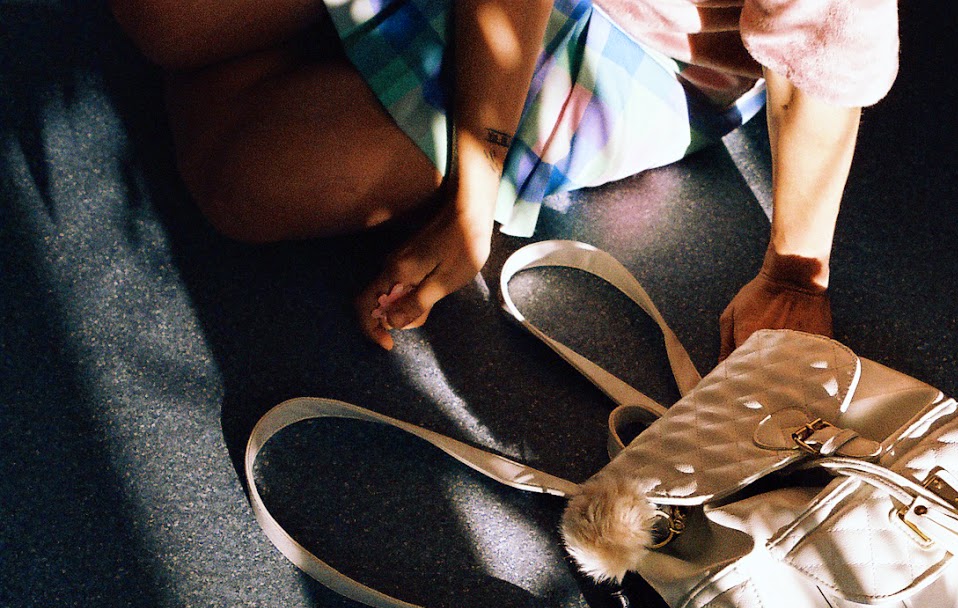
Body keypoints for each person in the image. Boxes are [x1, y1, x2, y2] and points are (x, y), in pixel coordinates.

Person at [112, 0, 898, 356]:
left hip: (650, 47)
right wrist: (472, 184)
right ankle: (343, 64)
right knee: (161, 18)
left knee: (244, 182)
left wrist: (796, 274)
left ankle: (338, 59)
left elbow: (820, 72)